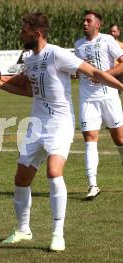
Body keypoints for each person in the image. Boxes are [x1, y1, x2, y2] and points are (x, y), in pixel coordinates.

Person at [0, 12, 123, 251]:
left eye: (24, 30)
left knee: (53, 172)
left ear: (37, 34)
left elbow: (93, 72)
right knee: (21, 179)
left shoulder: (58, 54)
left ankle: (57, 234)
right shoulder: (29, 60)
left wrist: (121, 86)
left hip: (60, 124)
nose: (21, 34)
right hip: (37, 125)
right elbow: (28, 90)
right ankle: (22, 230)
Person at [74, 10, 123, 200]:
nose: (85, 23)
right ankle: (92, 184)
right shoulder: (78, 45)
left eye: (89, 21)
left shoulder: (108, 40)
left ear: (98, 25)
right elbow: (78, 70)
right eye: (83, 20)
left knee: (119, 139)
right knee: (90, 138)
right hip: (88, 99)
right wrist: (76, 72)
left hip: (109, 96)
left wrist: (104, 75)